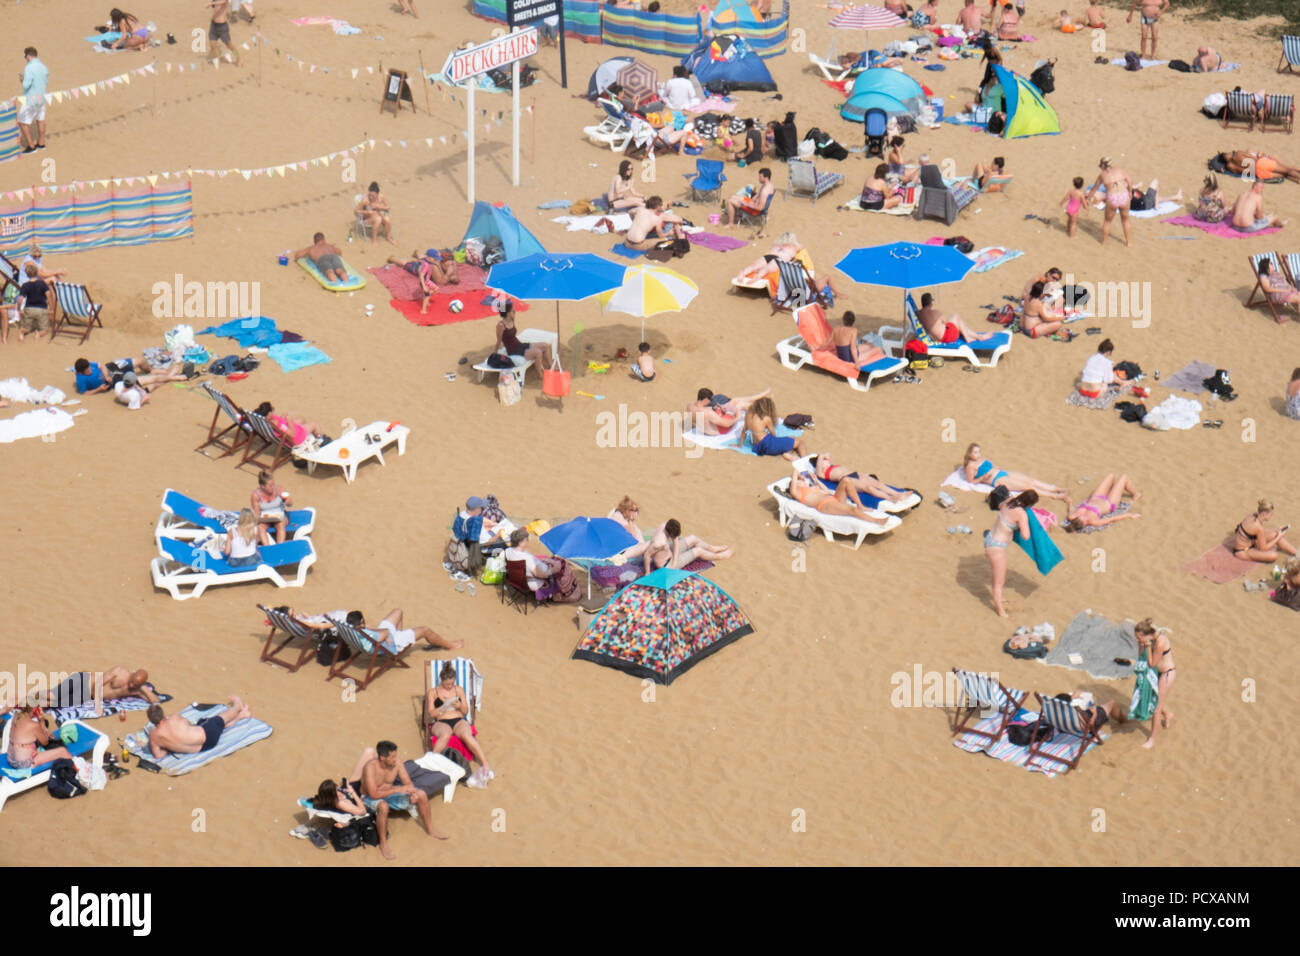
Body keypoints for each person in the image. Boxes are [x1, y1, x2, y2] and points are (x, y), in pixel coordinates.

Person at [361, 741, 445, 859]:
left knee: (421, 794)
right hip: (370, 798)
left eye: (396, 755)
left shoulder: (397, 763)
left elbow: (408, 783)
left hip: (389, 793)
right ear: (382, 757)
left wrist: (413, 792)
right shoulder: (370, 767)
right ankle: (384, 844)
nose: (396, 759)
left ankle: (431, 829)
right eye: (392, 757)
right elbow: (374, 794)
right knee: (383, 806)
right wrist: (397, 790)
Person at [426, 662, 494, 787]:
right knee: (445, 734)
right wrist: (442, 707)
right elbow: (431, 714)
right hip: (441, 721)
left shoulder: (458, 690)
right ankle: (432, 761)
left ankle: (485, 764)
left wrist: (459, 706)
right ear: (441, 680)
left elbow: (465, 711)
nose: (449, 686)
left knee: (467, 736)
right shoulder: (433, 692)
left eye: (452, 683)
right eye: (447, 684)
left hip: (458, 720)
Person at [982, 486, 1036, 617]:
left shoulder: (1008, 501)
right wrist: (1026, 520)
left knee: (999, 580)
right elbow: (1026, 535)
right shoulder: (1021, 513)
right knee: (999, 583)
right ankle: (1001, 611)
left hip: (991, 539)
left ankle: (999, 600)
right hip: (997, 547)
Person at [147, 696, 251, 758]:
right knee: (221, 718)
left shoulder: (153, 736)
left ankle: (242, 715)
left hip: (204, 748)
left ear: (151, 720)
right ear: (164, 715)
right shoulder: (174, 718)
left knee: (217, 725)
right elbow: (187, 723)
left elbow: (158, 755)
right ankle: (238, 706)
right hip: (208, 735)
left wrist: (167, 748)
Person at [963, 443, 1071, 502]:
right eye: (976, 452)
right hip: (997, 480)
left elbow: (990, 464)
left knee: (1031, 480)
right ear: (969, 454)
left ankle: (1055, 488)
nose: (979, 454)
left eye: (979, 452)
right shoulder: (970, 466)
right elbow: (971, 481)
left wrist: (995, 466)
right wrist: (982, 478)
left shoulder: (980, 459)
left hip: (1002, 472)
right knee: (1027, 486)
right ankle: (1055, 496)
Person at [1127, 619, 1175, 749]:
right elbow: (1140, 656)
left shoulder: (1159, 642)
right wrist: (1141, 645)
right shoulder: (1148, 639)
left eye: (1139, 637)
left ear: (1146, 634)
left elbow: (1152, 663)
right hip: (1155, 673)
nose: (1137, 639)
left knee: (1156, 707)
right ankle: (1168, 714)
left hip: (1166, 674)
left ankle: (1152, 739)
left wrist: (1148, 647)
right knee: (1154, 699)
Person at [789, 467, 891, 525]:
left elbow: (826, 490)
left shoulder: (813, 488)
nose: (802, 481)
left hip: (834, 498)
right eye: (799, 480)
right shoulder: (798, 493)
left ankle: (860, 505)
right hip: (825, 505)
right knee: (852, 510)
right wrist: (797, 474)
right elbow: (794, 476)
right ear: (795, 484)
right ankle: (876, 521)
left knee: (846, 480)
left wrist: (816, 481)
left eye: (801, 480)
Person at [504, 528, 582, 603]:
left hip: (516, 579)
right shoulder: (527, 559)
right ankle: (567, 593)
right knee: (563, 568)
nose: (527, 541)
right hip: (533, 582)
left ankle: (572, 588)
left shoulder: (508, 551)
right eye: (526, 540)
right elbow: (541, 575)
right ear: (520, 543)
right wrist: (554, 569)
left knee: (554, 562)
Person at [810, 452, 914, 507]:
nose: (825, 460)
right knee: (868, 488)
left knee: (878, 484)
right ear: (819, 464)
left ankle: (898, 494)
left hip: (856, 474)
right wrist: (820, 457)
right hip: (847, 479)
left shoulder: (832, 466)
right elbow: (818, 470)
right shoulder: (822, 473)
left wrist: (864, 474)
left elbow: (828, 456)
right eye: (822, 460)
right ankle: (890, 498)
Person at [42, 667, 159, 714]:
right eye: (132, 681)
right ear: (132, 674)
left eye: (136, 684)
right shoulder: (120, 672)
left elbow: (156, 701)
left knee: (55, 703)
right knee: (54, 696)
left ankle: (32, 704)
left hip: (86, 695)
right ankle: (31, 696)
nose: (132, 685)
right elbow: (97, 684)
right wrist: (97, 705)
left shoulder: (138, 689)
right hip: (83, 680)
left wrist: (144, 689)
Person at [346, 609, 464, 653]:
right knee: (425, 630)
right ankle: (450, 645)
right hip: (389, 642)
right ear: (361, 622)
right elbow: (385, 632)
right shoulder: (367, 633)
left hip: (380, 637)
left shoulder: (351, 630)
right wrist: (384, 633)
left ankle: (402, 638)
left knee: (398, 612)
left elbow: (378, 633)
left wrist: (368, 628)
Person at [644, 518, 733, 572]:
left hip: (669, 555)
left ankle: (711, 548)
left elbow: (675, 539)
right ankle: (719, 556)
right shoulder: (659, 543)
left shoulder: (665, 525)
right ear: (669, 533)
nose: (675, 538)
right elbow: (647, 555)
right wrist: (647, 573)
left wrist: (675, 559)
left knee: (692, 538)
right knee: (698, 551)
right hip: (667, 565)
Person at [1064, 474, 1142, 531]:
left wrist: (1069, 503)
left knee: (1111, 476)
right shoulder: (1093, 521)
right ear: (1084, 525)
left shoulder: (1071, 516)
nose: (1085, 518)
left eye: (1082, 518)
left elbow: (1071, 509)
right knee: (1124, 477)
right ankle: (1136, 494)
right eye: (1085, 521)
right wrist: (1129, 515)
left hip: (1096, 497)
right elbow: (1112, 519)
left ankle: (1115, 489)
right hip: (1109, 503)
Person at [1085, 157, 1134, 247]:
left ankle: (1103, 242)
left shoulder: (1102, 175)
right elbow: (1130, 181)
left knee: (1107, 221)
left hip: (1112, 197)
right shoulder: (1120, 170)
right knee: (1125, 220)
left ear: (1103, 165)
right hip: (1124, 196)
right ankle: (1128, 242)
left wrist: (1088, 199)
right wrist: (1130, 192)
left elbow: (1094, 189)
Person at [494, 299, 555, 370]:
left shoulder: (511, 319)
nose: (514, 311)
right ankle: (540, 375)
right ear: (507, 313)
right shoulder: (501, 325)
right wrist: (495, 353)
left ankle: (551, 366)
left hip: (519, 345)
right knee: (538, 353)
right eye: (512, 310)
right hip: (513, 350)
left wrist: (508, 307)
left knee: (546, 346)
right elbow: (499, 340)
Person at [5, 708, 72, 769]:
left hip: (11, 760)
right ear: (35, 709)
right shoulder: (33, 725)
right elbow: (45, 742)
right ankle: (79, 772)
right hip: (24, 763)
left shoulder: (16, 718)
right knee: (62, 751)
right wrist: (41, 720)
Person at [1232, 499, 1297, 563]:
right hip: (1242, 551)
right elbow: (1263, 548)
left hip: (1250, 542)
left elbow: (1260, 532)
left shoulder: (1253, 516)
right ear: (1264, 514)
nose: (1272, 515)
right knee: (1273, 555)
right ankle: (1296, 553)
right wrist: (1278, 537)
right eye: (1271, 514)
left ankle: (1296, 552)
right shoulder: (1257, 527)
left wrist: (1277, 530)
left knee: (1275, 533)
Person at [687, 387, 770, 435]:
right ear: (705, 399)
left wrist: (717, 408)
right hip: (719, 430)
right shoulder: (708, 413)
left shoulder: (690, 406)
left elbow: (699, 416)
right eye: (709, 399)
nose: (710, 401)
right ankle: (761, 417)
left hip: (707, 426)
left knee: (734, 401)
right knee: (740, 405)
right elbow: (727, 424)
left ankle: (759, 398)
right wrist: (737, 417)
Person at [917, 293, 995, 344]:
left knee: (958, 324)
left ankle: (973, 335)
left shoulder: (918, 314)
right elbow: (945, 322)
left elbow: (916, 312)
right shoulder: (935, 313)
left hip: (936, 338)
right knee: (955, 316)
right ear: (931, 303)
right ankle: (976, 336)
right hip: (947, 337)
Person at [252, 401, 323, 447]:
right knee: (314, 424)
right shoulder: (278, 425)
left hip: (287, 432)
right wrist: (289, 420)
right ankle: (320, 440)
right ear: (269, 414)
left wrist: (282, 417)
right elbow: (292, 434)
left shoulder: (267, 421)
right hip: (297, 439)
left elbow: (281, 425)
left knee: (301, 419)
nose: (273, 412)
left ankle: (315, 435)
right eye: (272, 410)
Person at [17, 47, 47, 153]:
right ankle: (41, 144)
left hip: (30, 99)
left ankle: (31, 147)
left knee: (22, 122)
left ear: (29, 56)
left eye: (25, 57)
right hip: (42, 98)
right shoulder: (44, 67)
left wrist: (22, 79)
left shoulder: (29, 68)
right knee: (40, 120)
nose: (25, 59)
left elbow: (26, 85)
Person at [251, 470, 292, 543]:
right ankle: (267, 548)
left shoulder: (278, 489)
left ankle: (279, 547)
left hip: (280, 515)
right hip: (266, 517)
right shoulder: (256, 495)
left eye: (273, 484)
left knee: (280, 524)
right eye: (270, 486)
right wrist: (257, 519)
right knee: (260, 527)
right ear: (262, 486)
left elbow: (290, 503)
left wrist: (287, 501)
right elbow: (257, 512)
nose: (273, 487)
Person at [15, 263, 50, 342]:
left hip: (29, 309)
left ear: (27, 274)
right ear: (37, 273)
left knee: (27, 328)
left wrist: (18, 308)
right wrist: (50, 305)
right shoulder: (42, 283)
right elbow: (48, 294)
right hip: (41, 308)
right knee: (44, 330)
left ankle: (22, 333)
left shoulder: (25, 285)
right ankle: (38, 334)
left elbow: (20, 299)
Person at [206, 1, 242, 66]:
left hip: (222, 26)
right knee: (212, 44)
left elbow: (223, 1)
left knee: (229, 45)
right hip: (213, 25)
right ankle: (217, 61)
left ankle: (238, 59)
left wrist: (211, 3)